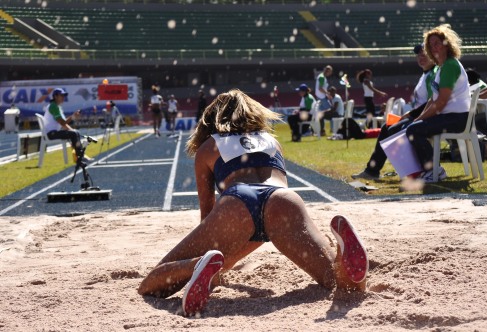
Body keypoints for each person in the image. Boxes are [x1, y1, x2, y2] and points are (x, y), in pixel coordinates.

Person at [138, 89, 368, 317]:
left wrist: (218, 261)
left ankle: (196, 265)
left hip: (237, 202)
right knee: (335, 280)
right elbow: (268, 223)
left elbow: (207, 216)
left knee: (151, 284)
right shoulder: (272, 142)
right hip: (283, 199)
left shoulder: (209, 147)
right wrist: (228, 259)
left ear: (212, 117)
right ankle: (344, 258)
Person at [352, 44, 436, 181]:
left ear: (433, 56)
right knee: (386, 127)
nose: (421, 57)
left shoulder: (433, 74)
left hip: (425, 118)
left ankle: (413, 171)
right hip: (418, 117)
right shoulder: (425, 74)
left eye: (425, 54)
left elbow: (433, 102)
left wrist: (411, 115)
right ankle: (372, 170)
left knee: (394, 129)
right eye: (419, 55)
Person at [405, 24, 471, 182]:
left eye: (437, 43)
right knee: (411, 127)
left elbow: (440, 103)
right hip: (450, 117)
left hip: (457, 119)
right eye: (430, 45)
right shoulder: (442, 67)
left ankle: (434, 171)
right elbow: (432, 100)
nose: (433, 47)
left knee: (414, 130)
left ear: (446, 45)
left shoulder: (450, 66)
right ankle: (422, 170)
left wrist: (420, 120)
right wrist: (420, 117)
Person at [42, 88, 96, 165]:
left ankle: (80, 156)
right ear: (55, 96)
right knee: (74, 133)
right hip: (51, 134)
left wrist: (74, 131)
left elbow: (63, 124)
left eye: (64, 96)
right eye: (62, 95)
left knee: (75, 132)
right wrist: (73, 117)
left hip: (53, 133)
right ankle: (80, 157)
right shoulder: (54, 107)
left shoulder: (56, 107)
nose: (63, 97)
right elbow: (63, 123)